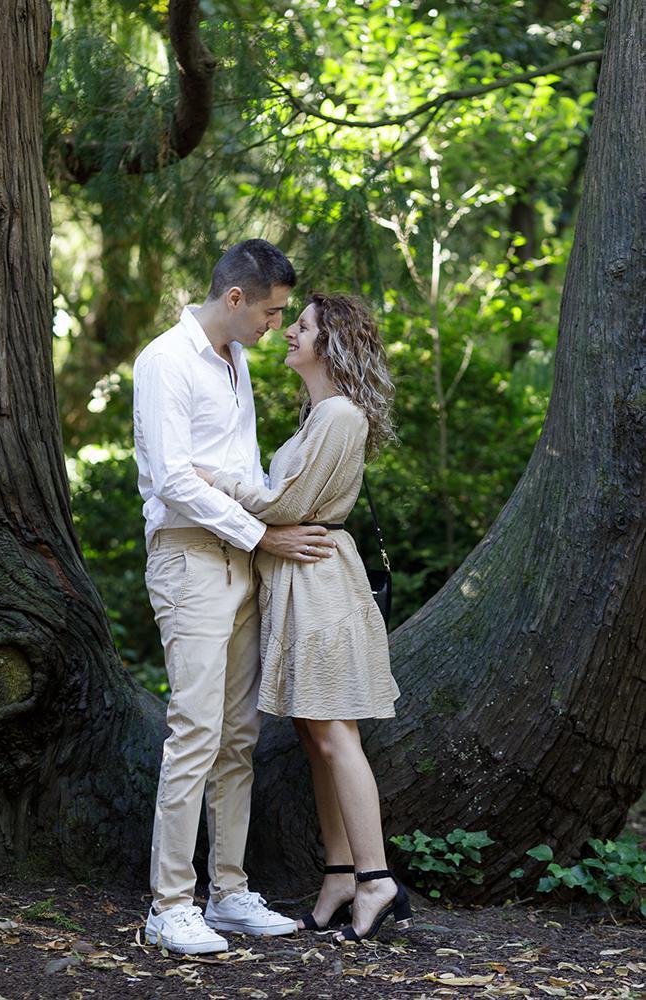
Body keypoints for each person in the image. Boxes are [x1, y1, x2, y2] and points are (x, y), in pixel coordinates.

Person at [133, 240, 338, 956]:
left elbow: (235, 466)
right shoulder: (165, 361)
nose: (277, 326)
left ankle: (227, 894)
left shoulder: (235, 361)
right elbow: (173, 479)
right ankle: (169, 906)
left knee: (238, 737)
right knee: (193, 731)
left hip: (243, 559)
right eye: (271, 312)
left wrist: (275, 520)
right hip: (190, 559)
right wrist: (264, 535)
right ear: (234, 298)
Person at [193, 292, 412, 943]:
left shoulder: (339, 414)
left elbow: (284, 505)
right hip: (300, 584)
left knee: (336, 734)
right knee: (316, 738)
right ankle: (340, 874)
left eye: (303, 325)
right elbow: (285, 505)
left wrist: (212, 479)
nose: (289, 331)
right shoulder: (321, 414)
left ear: (330, 342)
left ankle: (376, 879)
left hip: (321, 588)